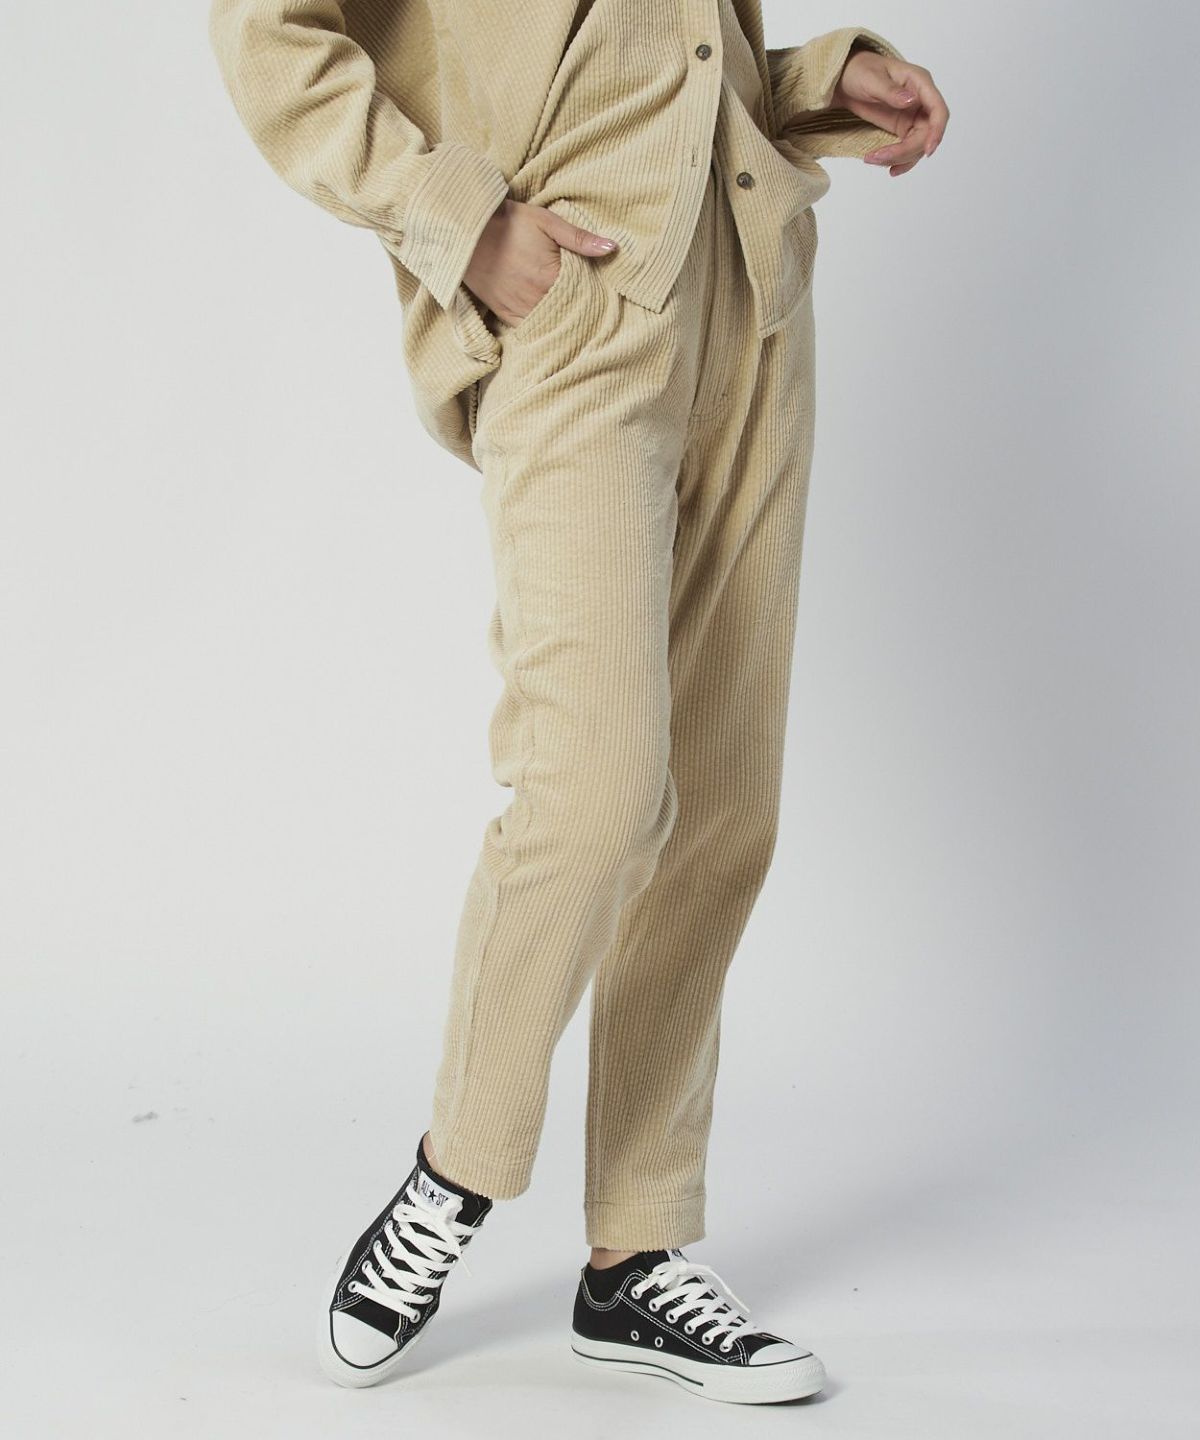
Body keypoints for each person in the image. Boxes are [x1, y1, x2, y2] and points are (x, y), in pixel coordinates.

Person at [209, 0, 948, 1405]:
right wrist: (458, 222)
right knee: (597, 788)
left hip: (750, 299)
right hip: (573, 305)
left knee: (722, 803)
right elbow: (269, 37)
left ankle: (636, 1257)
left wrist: (816, 83)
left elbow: (663, 59)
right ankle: (456, 1171)